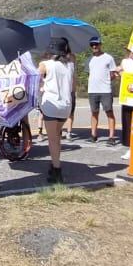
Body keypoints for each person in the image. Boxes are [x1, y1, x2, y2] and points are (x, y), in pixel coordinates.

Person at [37, 38, 75, 184]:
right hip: (66, 106)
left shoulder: (44, 64)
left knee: (52, 139)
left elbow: (35, 79)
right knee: (57, 137)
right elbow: (72, 87)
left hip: (51, 105)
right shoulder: (70, 65)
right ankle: (54, 164)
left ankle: (57, 171)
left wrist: (42, 87)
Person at [85, 37, 117, 144]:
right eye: (92, 45)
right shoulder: (89, 60)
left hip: (105, 90)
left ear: (100, 44)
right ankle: (93, 135)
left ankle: (111, 137)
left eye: (96, 44)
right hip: (92, 90)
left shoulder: (108, 58)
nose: (94, 46)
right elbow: (89, 74)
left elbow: (113, 74)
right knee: (94, 112)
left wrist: (106, 81)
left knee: (109, 112)